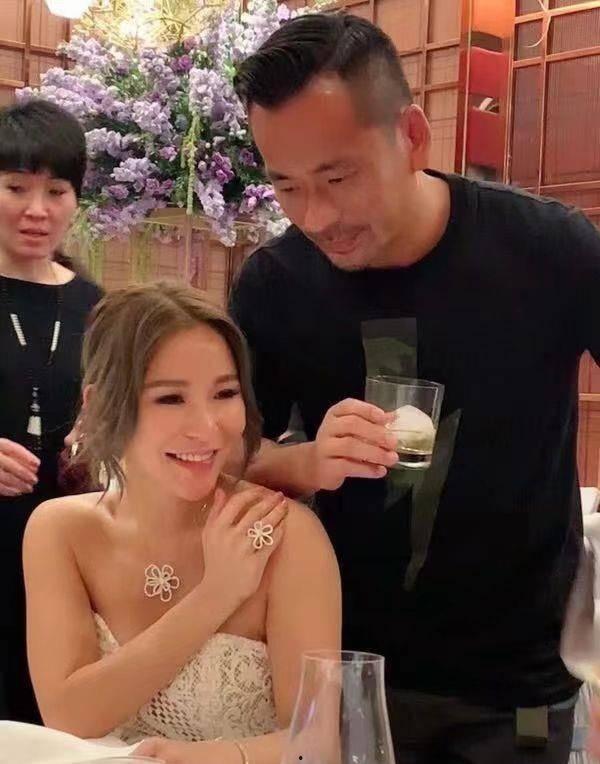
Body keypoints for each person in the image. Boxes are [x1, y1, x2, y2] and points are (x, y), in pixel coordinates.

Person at [229, 12, 600, 764]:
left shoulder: (547, 249)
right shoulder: (275, 285)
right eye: (287, 186)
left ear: (413, 136)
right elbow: (224, 460)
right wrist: (307, 462)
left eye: (338, 178)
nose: (315, 217)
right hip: (342, 669)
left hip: (519, 685)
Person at [19, 281, 340, 764]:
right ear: (101, 404)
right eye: (171, 399)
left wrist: (204, 758)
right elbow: (69, 716)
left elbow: (317, 743)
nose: (207, 427)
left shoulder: (287, 535)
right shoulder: (59, 531)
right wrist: (215, 596)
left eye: (225, 393)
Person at [0, 99, 103, 724]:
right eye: (16, 188)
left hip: (67, 557)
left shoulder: (98, 306)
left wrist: (104, 439)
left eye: (56, 191)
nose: (37, 210)